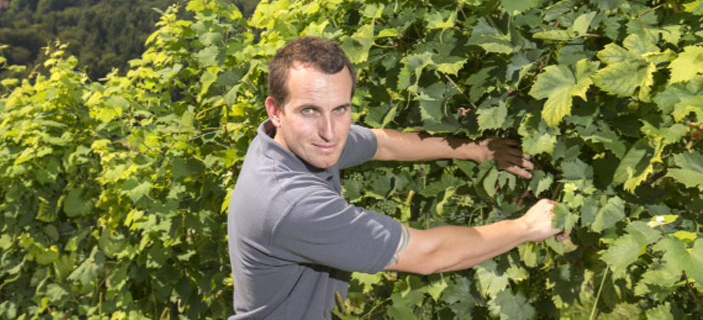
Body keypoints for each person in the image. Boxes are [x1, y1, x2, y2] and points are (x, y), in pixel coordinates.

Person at [227, 37, 566, 319]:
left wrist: (475, 149)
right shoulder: (291, 205)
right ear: (275, 110)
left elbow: (383, 143)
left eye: (341, 109)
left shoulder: (291, 141)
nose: (330, 132)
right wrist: (527, 227)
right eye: (310, 111)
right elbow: (427, 255)